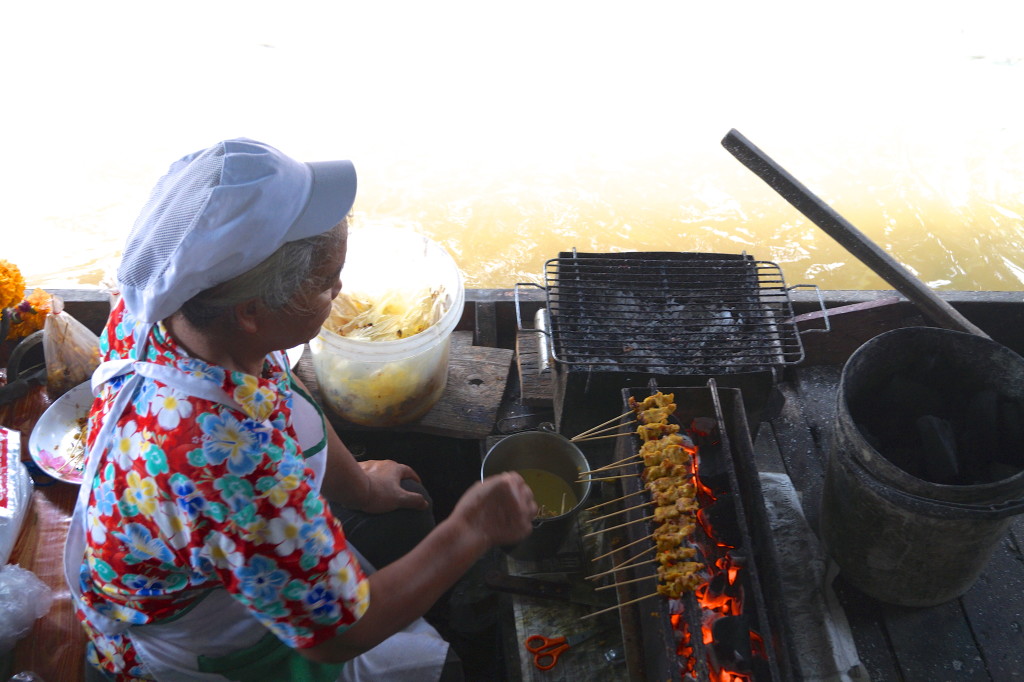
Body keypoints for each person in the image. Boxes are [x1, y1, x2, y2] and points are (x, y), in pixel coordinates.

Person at [64, 138, 537, 681]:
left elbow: (280, 389)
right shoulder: (229, 462)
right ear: (251, 312)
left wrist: (357, 485)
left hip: (216, 535)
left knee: (408, 512)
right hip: (201, 640)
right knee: (446, 670)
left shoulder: (169, 307)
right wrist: (472, 528)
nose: (339, 290)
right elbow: (339, 637)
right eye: (326, 283)